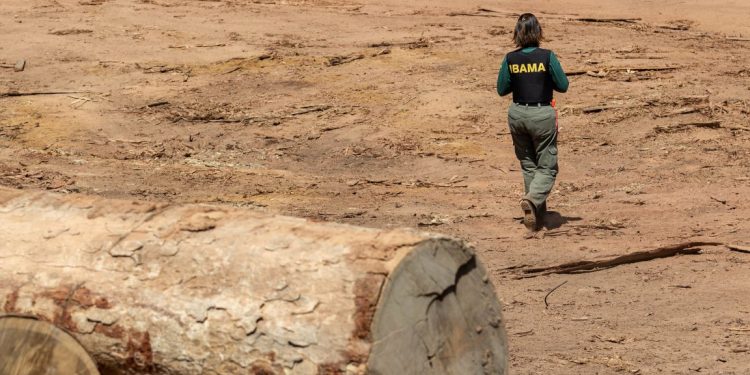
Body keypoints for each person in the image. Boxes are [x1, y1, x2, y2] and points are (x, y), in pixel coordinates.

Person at [496, 13, 569, 232]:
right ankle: (532, 200)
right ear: (538, 31)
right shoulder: (547, 56)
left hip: (517, 114)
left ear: (517, 34)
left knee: (529, 164)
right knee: (547, 168)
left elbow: (502, 89)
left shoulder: (510, 58)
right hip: (542, 115)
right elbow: (563, 85)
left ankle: (537, 216)